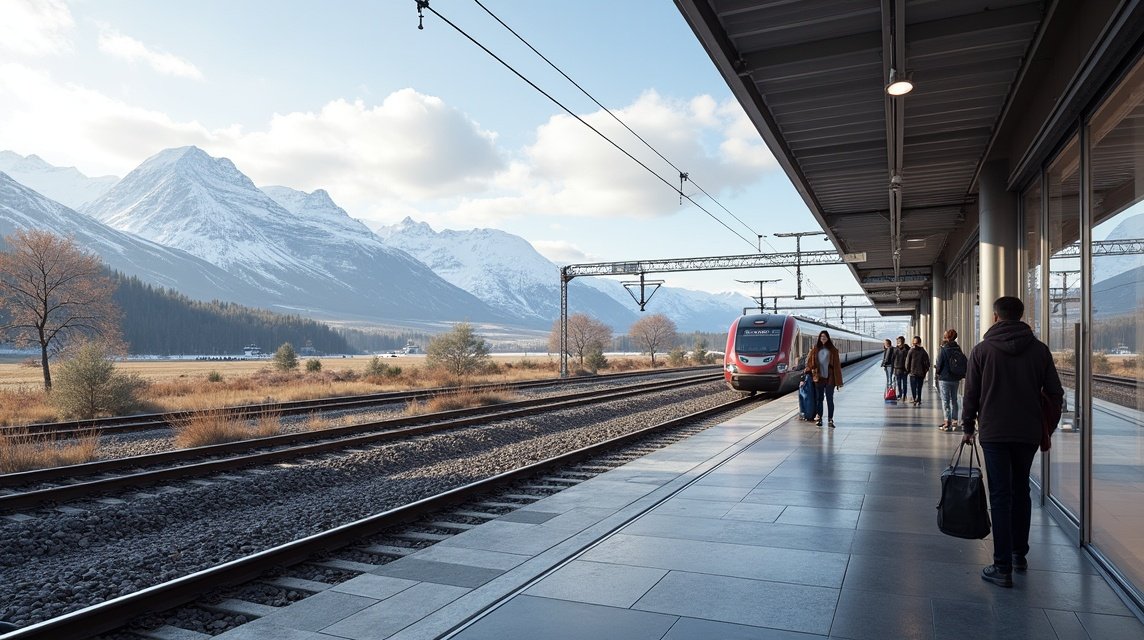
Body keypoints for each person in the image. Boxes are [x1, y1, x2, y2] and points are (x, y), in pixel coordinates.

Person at [961, 296, 1063, 588]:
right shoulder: (1040, 350)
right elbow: (1055, 393)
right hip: (1027, 432)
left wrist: (967, 426)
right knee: (1021, 491)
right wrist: (1047, 424)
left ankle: (1002, 565)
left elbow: (971, 393)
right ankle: (1019, 555)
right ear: (1021, 316)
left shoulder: (982, 351)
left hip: (994, 432)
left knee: (1000, 496)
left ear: (995, 317)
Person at [804, 330, 843, 428]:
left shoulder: (833, 350)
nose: (823, 338)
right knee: (819, 399)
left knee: (830, 399)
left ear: (828, 338)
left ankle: (830, 419)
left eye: (825, 337)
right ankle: (820, 418)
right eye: (821, 337)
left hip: (830, 378)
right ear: (819, 338)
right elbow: (809, 363)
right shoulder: (815, 349)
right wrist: (805, 375)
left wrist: (839, 381)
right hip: (818, 378)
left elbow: (837, 366)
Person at [934, 329, 965, 430]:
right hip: (955, 378)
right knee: (954, 399)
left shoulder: (944, 349)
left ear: (947, 337)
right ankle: (955, 421)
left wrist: (937, 373)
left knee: (945, 400)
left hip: (945, 378)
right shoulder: (958, 348)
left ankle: (947, 422)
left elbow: (939, 364)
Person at [905, 336, 930, 405]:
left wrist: (908, 370)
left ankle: (914, 398)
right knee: (919, 387)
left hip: (913, 372)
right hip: (921, 373)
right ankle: (918, 399)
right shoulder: (923, 351)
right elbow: (927, 363)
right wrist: (925, 370)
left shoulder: (911, 351)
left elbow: (907, 362)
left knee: (913, 387)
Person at [892, 336, 909, 402]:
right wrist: (893, 369)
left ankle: (904, 395)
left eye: (900, 341)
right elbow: (892, 359)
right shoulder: (895, 349)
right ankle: (900, 394)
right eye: (898, 341)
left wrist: (908, 368)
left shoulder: (907, 349)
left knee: (904, 383)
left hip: (904, 369)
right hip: (897, 369)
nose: (898, 342)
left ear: (903, 341)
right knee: (898, 383)